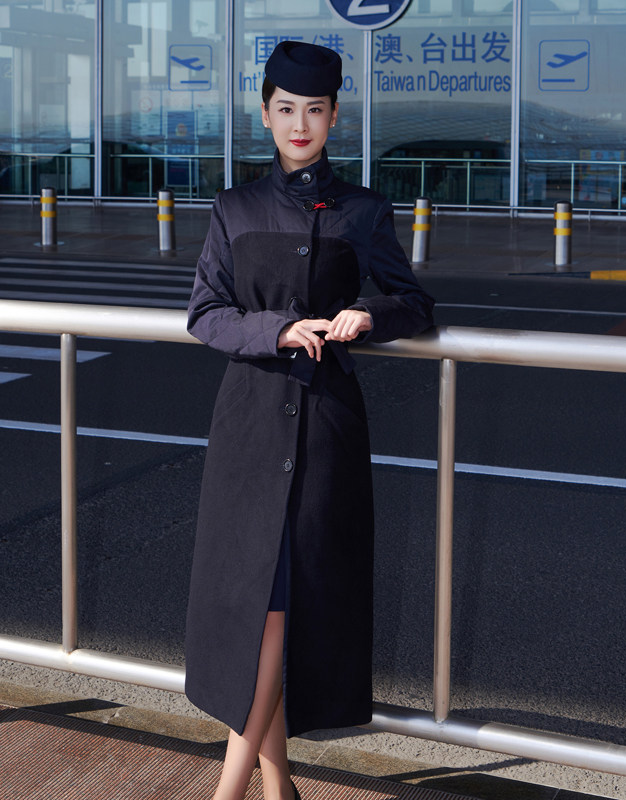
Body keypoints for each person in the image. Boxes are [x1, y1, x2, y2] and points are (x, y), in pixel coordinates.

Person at [183, 41, 435, 800]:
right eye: (286, 109)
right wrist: (277, 329)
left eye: (315, 111)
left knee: (283, 608)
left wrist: (369, 312)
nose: (300, 124)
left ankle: (237, 791)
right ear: (265, 115)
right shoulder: (234, 208)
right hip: (248, 428)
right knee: (259, 609)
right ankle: (274, 789)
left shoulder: (364, 209)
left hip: (326, 431)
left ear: (333, 117)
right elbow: (206, 314)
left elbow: (415, 302)